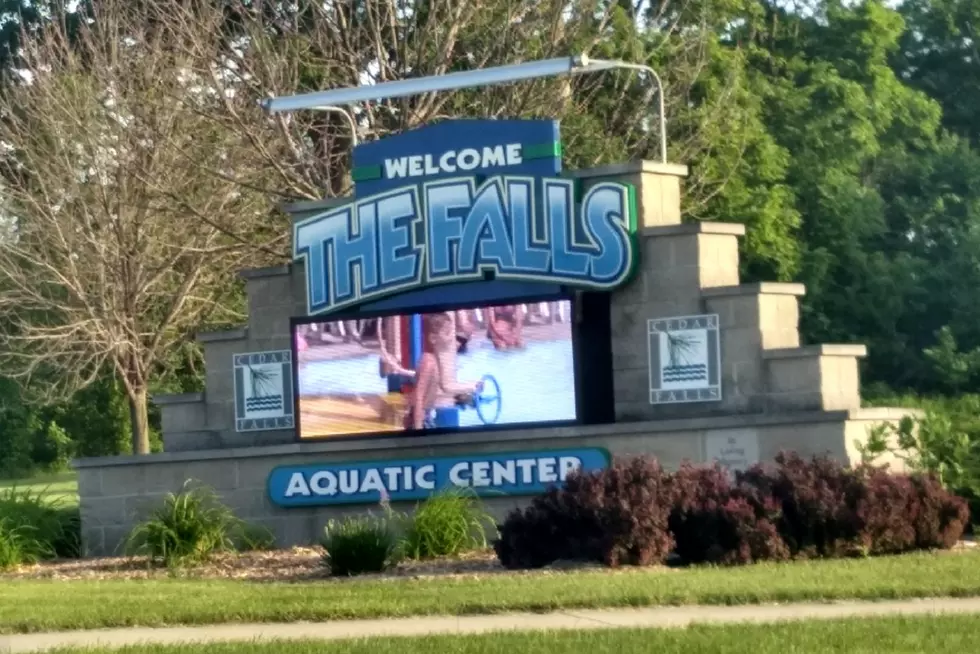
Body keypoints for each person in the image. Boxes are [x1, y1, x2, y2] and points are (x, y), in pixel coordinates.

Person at [407, 311, 482, 429]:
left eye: (451, 332)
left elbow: (445, 386)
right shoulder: (428, 362)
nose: (451, 337)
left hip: (426, 416)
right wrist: (418, 428)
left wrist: (468, 389)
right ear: (433, 338)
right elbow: (419, 396)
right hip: (417, 420)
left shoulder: (436, 360)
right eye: (447, 333)